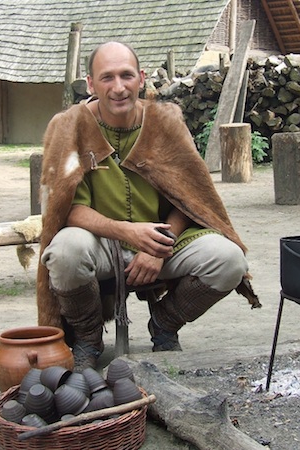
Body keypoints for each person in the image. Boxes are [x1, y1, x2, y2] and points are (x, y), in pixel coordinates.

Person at [36, 41, 259, 371]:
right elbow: (66, 209)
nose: (119, 87)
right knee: (64, 252)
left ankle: (165, 323)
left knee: (229, 261)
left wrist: (158, 247)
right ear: (90, 83)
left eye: (126, 76)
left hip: (162, 241)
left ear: (141, 79)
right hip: (97, 244)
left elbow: (191, 196)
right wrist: (126, 231)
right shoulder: (68, 126)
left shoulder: (165, 121)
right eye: (107, 78)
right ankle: (87, 337)